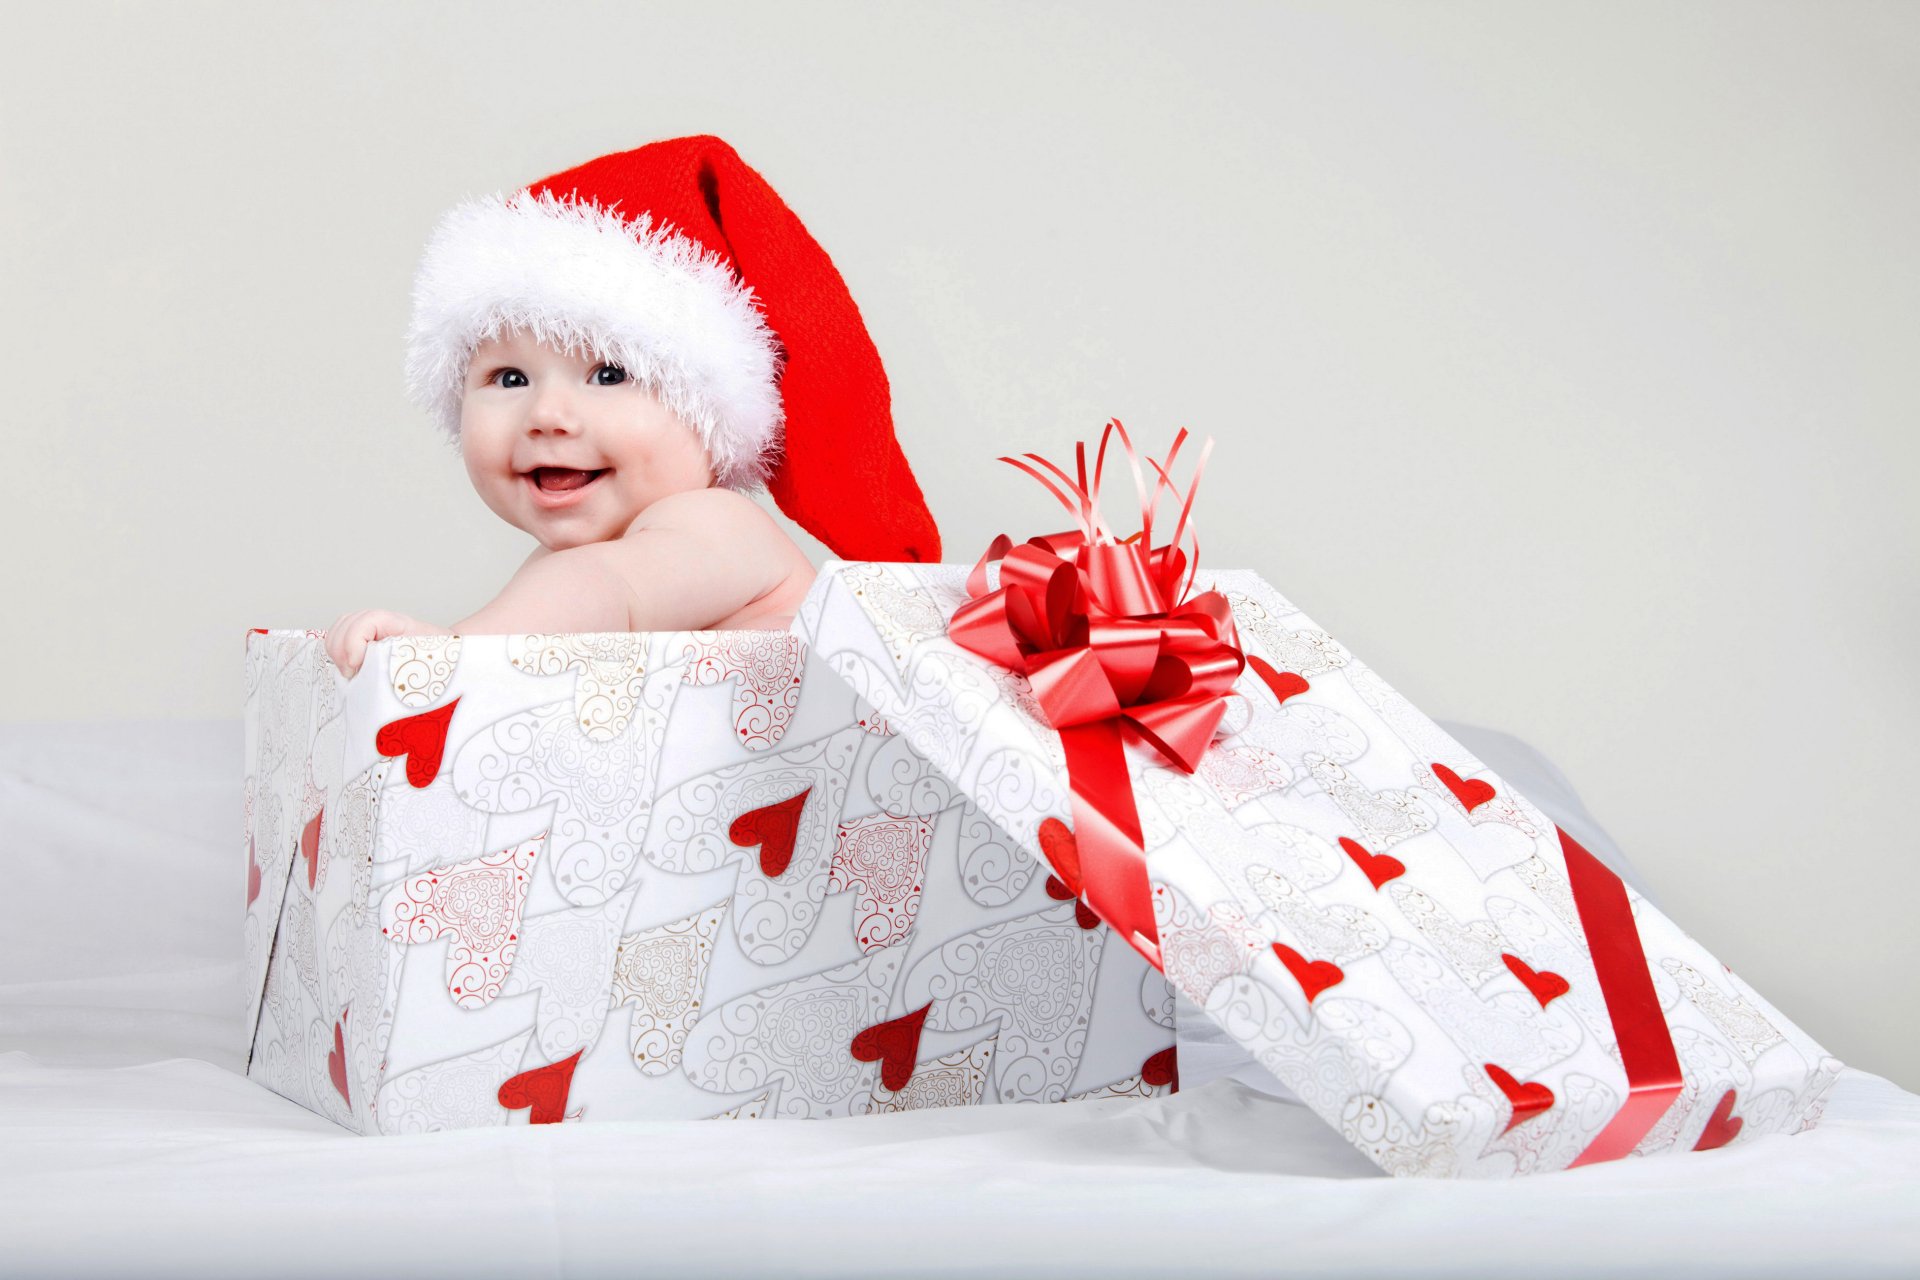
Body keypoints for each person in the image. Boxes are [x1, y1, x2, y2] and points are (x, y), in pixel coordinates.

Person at [327, 134, 940, 677]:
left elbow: (610, 590)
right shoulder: (572, 564)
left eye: (609, 373)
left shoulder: (717, 524)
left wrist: (454, 651)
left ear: (710, 415)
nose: (547, 415)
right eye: (509, 377)